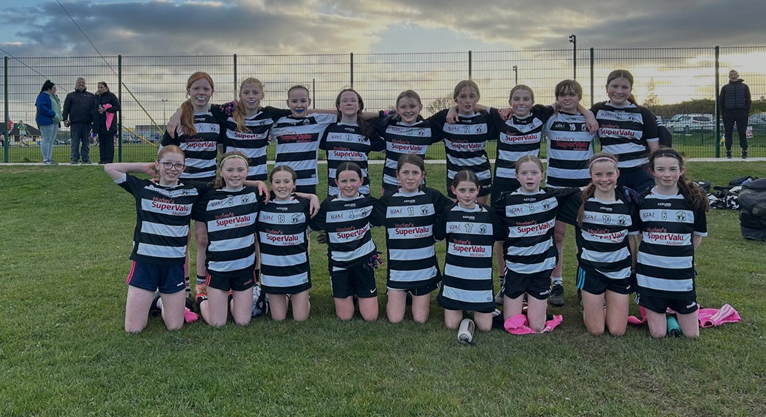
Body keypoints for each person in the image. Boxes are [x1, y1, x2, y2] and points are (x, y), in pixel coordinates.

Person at [104, 145, 207, 333]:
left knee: (175, 326)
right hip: (145, 263)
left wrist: (256, 184)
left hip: (174, 265)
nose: (172, 169)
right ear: (158, 164)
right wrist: (144, 168)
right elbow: (109, 168)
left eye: (178, 165)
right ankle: (158, 299)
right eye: (167, 164)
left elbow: (227, 182)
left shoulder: (192, 190)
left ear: (184, 168)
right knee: (133, 329)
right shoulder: (143, 187)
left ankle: (160, 301)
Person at [495, 155, 581, 333]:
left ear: (542, 175)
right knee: (511, 324)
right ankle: (527, 307)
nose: (529, 177)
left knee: (536, 326)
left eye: (534, 173)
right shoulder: (506, 201)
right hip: (516, 268)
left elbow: (580, 190)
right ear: (516, 176)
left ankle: (539, 311)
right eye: (524, 173)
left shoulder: (552, 197)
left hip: (541, 269)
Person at [160, 72, 225, 304]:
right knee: (182, 237)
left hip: (207, 185)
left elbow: (223, 149)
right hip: (182, 186)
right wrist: (179, 111)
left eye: (206, 89)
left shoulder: (218, 115)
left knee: (203, 237)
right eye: (196, 88)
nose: (201, 93)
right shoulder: (179, 119)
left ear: (212, 92)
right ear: (188, 91)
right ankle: (183, 287)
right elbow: (164, 152)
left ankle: (201, 285)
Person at [635, 148, 709, 339]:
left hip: (680, 274)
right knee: (658, 334)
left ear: (681, 170)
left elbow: (696, 237)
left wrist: (679, 255)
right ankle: (667, 317)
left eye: (672, 169)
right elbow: (640, 236)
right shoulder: (642, 200)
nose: (667, 174)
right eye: (660, 169)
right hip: (650, 274)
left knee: (692, 335)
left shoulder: (693, 200)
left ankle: (673, 312)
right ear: (652, 171)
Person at [370, 154, 452, 324]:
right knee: (395, 319)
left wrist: (437, 234)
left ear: (423, 175)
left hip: (424, 268)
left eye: (415, 172)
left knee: (420, 319)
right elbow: (368, 220)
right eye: (405, 172)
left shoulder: (432, 196)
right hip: (398, 269)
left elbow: (452, 213)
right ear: (397, 175)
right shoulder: (389, 200)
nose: (410, 177)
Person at [565, 152, 638, 336]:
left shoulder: (628, 200)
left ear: (617, 174)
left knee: (617, 331)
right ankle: (589, 306)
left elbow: (631, 238)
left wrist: (633, 268)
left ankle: (603, 305)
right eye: (598, 174)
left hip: (619, 270)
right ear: (591, 175)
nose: (604, 179)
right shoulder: (579, 200)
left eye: (609, 174)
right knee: (597, 330)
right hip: (591, 270)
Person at [194, 152, 263, 327]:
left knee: (243, 322)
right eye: (230, 170)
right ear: (221, 171)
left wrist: (312, 197)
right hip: (218, 269)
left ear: (247, 171)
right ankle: (201, 298)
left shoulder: (256, 194)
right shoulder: (207, 197)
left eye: (240, 170)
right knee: (217, 323)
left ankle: (231, 296)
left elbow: (285, 193)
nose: (235, 174)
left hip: (244, 268)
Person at [435, 170, 505, 332]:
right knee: (452, 325)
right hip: (455, 279)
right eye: (462, 190)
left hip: (479, 280)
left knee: (485, 327)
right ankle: (463, 307)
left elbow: (502, 235)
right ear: (454, 190)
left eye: (471, 190)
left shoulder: (489, 214)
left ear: (478, 190)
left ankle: (476, 308)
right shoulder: (448, 212)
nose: (467, 195)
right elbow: (438, 235)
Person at [309, 162, 380, 321]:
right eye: (344, 181)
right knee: (345, 317)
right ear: (336, 182)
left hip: (363, 261)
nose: (348, 185)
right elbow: (307, 226)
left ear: (361, 181)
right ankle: (349, 291)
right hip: (339, 263)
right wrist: (311, 196)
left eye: (353, 180)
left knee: (371, 317)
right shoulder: (328, 205)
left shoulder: (370, 203)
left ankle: (359, 292)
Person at [257, 166, 314, 321]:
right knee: (278, 318)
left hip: (298, 271)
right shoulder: (262, 204)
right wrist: (257, 183)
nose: (282, 186)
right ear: (271, 185)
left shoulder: (304, 205)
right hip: (272, 273)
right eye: (277, 182)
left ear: (294, 184)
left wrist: (312, 197)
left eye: (287, 181)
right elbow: (237, 184)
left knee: (300, 318)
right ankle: (286, 295)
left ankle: (300, 296)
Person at [591, 69, 660, 193]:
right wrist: (587, 115)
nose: (619, 91)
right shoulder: (597, 110)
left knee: (642, 205)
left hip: (641, 171)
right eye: (614, 86)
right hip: (612, 172)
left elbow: (655, 149)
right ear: (606, 87)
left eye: (624, 87)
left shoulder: (643, 113)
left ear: (631, 89)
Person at [430, 80, 496, 205]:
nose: (467, 100)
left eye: (472, 96)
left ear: (478, 98)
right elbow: (420, 126)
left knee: (480, 212)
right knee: (456, 214)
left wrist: (454, 107)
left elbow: (505, 115)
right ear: (456, 99)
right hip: (455, 176)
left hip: (481, 174)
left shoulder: (485, 118)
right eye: (463, 96)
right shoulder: (445, 118)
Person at [271, 85, 337, 194]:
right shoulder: (277, 123)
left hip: (307, 181)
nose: (299, 105)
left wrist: (311, 111)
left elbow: (342, 113)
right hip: (282, 180)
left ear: (309, 102)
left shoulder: (318, 120)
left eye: (303, 101)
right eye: (294, 101)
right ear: (288, 103)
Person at [376, 90, 443, 196]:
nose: (408, 111)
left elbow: (452, 116)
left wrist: (454, 109)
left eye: (412, 106)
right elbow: (359, 115)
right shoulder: (388, 125)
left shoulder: (428, 128)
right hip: (391, 184)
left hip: (416, 184)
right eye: (403, 107)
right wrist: (383, 113)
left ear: (420, 107)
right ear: (397, 109)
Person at [320, 88, 385, 197]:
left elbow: (390, 149)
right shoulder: (328, 130)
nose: (349, 103)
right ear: (338, 106)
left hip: (362, 192)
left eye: (353, 100)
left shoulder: (367, 130)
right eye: (344, 100)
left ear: (359, 105)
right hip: (335, 192)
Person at [719, 69, 752, 159]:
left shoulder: (744, 87)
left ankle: (744, 151)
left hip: (741, 112)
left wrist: (746, 112)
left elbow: (748, 100)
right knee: (728, 133)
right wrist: (723, 112)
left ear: (738, 75)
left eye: (734, 74)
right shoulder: (725, 88)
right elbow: (721, 101)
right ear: (729, 77)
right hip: (728, 113)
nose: (733, 76)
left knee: (742, 132)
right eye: (731, 74)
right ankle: (728, 151)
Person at [63, 77, 96, 164]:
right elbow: (66, 108)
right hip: (75, 123)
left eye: (82, 82)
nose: (81, 84)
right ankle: (74, 158)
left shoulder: (91, 96)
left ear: (85, 84)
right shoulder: (70, 96)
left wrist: (94, 121)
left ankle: (85, 158)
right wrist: (65, 119)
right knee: (75, 142)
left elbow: (94, 109)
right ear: (76, 84)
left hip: (87, 123)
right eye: (79, 82)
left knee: (86, 142)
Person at [35, 80, 62, 165]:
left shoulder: (54, 97)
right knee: (46, 140)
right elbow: (41, 107)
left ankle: (49, 158)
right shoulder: (43, 96)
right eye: (54, 88)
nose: (55, 90)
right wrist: (52, 114)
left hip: (54, 121)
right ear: (49, 89)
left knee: (51, 140)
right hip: (46, 121)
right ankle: (46, 159)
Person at [92, 81, 120, 164]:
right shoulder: (97, 97)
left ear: (106, 88)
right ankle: (102, 159)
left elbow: (117, 107)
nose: (99, 89)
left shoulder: (111, 96)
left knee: (108, 142)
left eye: (101, 87)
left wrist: (107, 109)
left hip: (109, 123)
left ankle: (109, 159)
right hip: (99, 123)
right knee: (102, 142)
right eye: (98, 87)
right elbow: (94, 107)